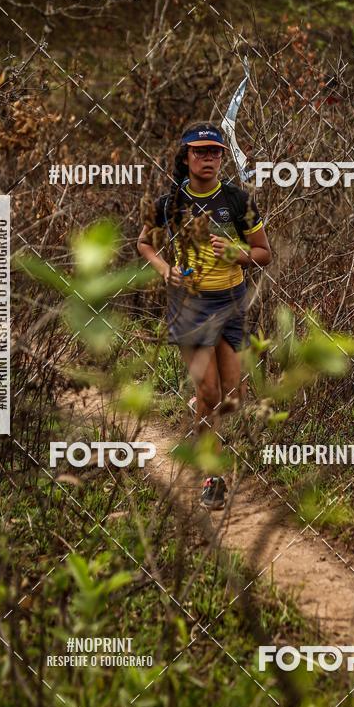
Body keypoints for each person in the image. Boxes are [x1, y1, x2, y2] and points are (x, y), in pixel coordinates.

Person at [137, 122, 271, 509]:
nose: (208, 158)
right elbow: (144, 243)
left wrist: (235, 253)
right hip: (190, 306)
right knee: (211, 392)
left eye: (215, 152)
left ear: (222, 158)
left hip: (231, 304)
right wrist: (166, 270)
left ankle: (201, 414)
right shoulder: (170, 204)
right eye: (201, 152)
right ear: (186, 157)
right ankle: (213, 478)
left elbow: (264, 253)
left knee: (231, 397)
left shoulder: (237, 201)